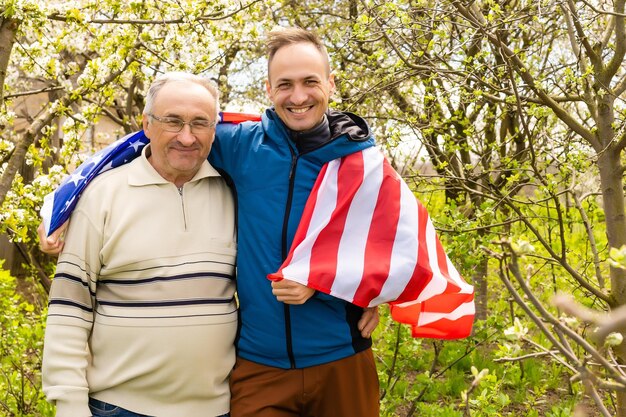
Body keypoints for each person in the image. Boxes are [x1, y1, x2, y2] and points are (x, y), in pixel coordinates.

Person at [41, 27, 474, 416]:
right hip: (257, 366)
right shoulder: (238, 145)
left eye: (310, 82)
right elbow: (155, 138)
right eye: (284, 84)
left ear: (331, 84)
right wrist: (64, 206)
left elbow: (404, 245)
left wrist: (360, 287)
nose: (298, 96)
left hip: (341, 356)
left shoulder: (363, 161)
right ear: (268, 89)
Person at [41, 73, 237, 417]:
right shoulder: (102, 195)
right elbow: (70, 307)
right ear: (146, 124)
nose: (187, 137)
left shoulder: (234, 192)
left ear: (215, 129)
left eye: (200, 123)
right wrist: (69, 402)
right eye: (173, 121)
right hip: (118, 407)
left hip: (217, 408)